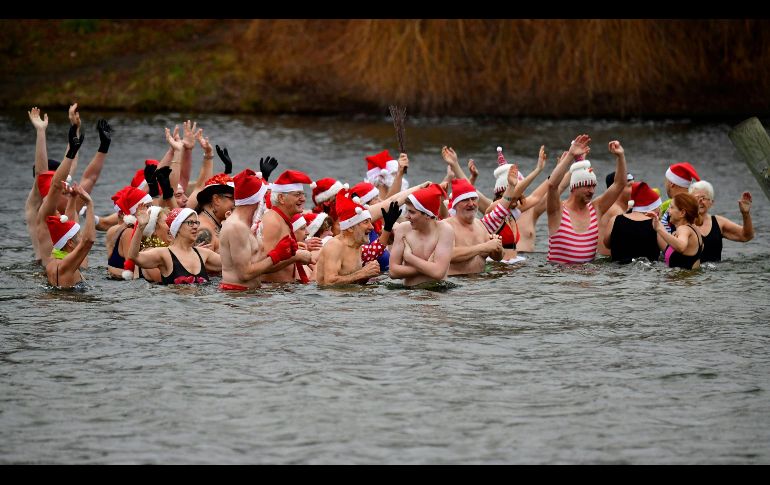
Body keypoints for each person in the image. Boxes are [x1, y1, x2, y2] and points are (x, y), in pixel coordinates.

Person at [546, 136, 628, 264]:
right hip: (559, 279)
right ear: (574, 187)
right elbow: (552, 186)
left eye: (593, 186)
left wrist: (620, 156)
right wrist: (570, 156)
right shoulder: (557, 210)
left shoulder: (596, 209)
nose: (592, 191)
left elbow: (620, 184)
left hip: (588, 280)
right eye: (587, 185)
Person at [218, 169, 305, 290]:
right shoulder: (236, 226)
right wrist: (276, 256)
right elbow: (245, 274)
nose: (265, 201)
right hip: (236, 297)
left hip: (248, 295)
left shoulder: (245, 225)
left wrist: (286, 252)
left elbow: (254, 261)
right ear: (255, 199)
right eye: (263, 197)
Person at [127, 207, 221, 285]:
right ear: (178, 227)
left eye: (196, 223)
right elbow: (134, 257)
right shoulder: (164, 254)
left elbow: (231, 264)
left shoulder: (203, 254)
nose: (196, 226)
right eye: (190, 223)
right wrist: (140, 227)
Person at [389, 183, 455, 287]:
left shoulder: (444, 230)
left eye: (412, 212)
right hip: (409, 295)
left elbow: (438, 273)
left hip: (437, 296)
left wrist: (409, 257)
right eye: (407, 211)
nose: (406, 216)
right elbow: (393, 271)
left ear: (427, 215)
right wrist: (429, 268)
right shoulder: (403, 229)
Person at [316, 189, 383, 286]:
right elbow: (329, 282)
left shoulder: (357, 244)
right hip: (328, 299)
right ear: (351, 227)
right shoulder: (335, 246)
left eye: (370, 221)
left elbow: (352, 281)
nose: (371, 227)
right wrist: (362, 273)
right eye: (365, 222)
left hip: (349, 298)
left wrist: (367, 274)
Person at [258, 170, 315, 283]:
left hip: (282, 293)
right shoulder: (272, 221)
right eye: (297, 194)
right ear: (281, 198)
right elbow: (263, 265)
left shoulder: (281, 219)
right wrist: (296, 256)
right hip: (271, 293)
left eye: (303, 194)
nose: (303, 199)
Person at [445, 178, 503, 275]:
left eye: (473, 199)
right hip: (456, 282)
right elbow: (449, 255)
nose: (471, 204)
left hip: (480, 283)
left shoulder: (480, 225)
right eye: (465, 200)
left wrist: (497, 248)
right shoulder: (446, 226)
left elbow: (498, 258)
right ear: (455, 205)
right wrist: (483, 247)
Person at [44, 184, 95, 288]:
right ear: (70, 243)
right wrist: (89, 204)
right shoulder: (67, 264)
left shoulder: (55, 256)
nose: (82, 239)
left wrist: (72, 197)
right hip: (70, 302)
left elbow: (69, 227)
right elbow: (88, 241)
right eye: (79, 236)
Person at [689, 180, 754, 262]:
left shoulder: (719, 222)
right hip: (693, 273)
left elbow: (746, 236)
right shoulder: (683, 222)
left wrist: (745, 214)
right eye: (696, 198)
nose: (700, 201)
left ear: (711, 202)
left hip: (716, 273)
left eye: (704, 198)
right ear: (689, 201)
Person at [604, 181, 662, 263]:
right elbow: (666, 250)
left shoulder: (615, 220)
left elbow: (607, 244)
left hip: (618, 272)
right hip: (647, 272)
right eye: (658, 206)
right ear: (652, 206)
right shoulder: (655, 224)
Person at [105, 186, 153, 279]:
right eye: (147, 206)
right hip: (123, 284)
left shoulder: (117, 229)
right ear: (133, 211)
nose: (151, 210)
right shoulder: (129, 232)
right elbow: (132, 270)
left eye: (151, 206)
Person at [650, 193, 704, 269]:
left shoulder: (684, 229)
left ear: (682, 213)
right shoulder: (694, 228)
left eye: (671, 207)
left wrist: (659, 229)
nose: (668, 211)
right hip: (690, 279)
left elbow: (681, 246)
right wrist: (658, 224)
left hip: (682, 280)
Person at [597, 171, 634, 256]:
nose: (635, 189)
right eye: (630, 186)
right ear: (617, 189)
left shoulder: (621, 208)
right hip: (609, 263)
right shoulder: (615, 210)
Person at [660, 162, 700, 233]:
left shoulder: (679, 206)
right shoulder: (690, 203)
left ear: (671, 183)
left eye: (666, 181)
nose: (665, 184)